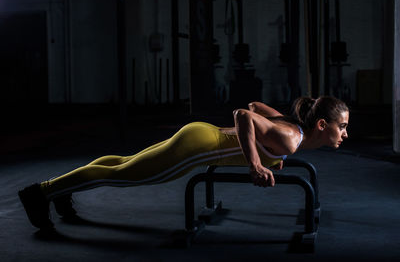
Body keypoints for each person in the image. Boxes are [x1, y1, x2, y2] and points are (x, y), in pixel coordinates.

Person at [18, 96, 349, 230]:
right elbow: (244, 114)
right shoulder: (291, 138)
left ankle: (60, 190)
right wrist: (255, 164)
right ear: (322, 125)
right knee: (124, 175)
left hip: (199, 134)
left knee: (123, 162)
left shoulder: (289, 128)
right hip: (194, 150)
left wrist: (264, 149)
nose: (345, 133)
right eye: (343, 126)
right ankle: (41, 193)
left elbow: (254, 104)